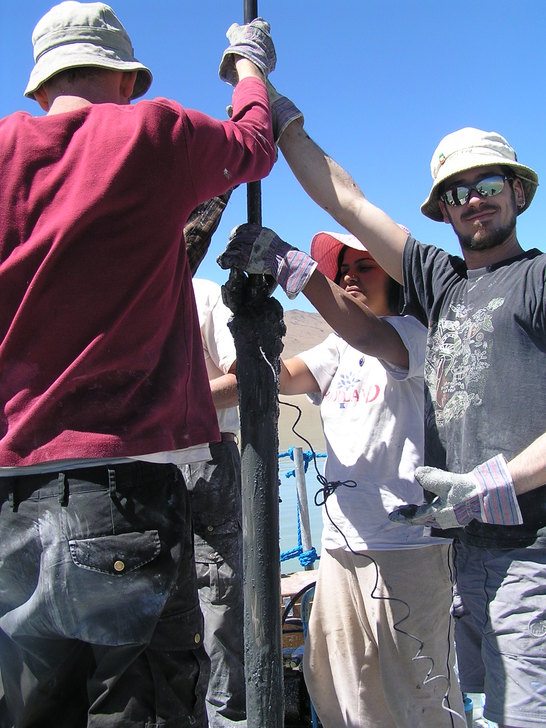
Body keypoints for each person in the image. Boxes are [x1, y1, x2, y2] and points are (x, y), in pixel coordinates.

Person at [218, 87, 546, 728]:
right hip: (469, 547)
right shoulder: (445, 288)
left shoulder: (537, 281)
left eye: (487, 184)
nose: (473, 198)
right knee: (464, 707)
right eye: (457, 192)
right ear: (443, 213)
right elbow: (345, 199)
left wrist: (498, 479)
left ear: (519, 193)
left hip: (531, 545)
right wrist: (277, 113)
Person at [0, 2, 276, 726]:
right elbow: (254, 141)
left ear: (38, 87)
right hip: (121, 495)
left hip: (9, 503)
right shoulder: (151, 134)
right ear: (125, 80)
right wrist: (249, 65)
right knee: (141, 708)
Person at [274, 229, 463, 727]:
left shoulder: (416, 334)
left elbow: (367, 335)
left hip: (409, 546)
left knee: (419, 688)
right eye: (342, 271)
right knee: (338, 681)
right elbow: (284, 376)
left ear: (396, 280)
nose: (350, 278)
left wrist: (296, 271)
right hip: (341, 545)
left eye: (365, 267)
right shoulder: (337, 349)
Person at [181, 278, 245, 727]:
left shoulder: (203, 294)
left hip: (205, 453)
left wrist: (167, 407)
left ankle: (229, 717)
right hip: (139, 460)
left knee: (217, 600)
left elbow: (245, 379)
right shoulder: (126, 293)